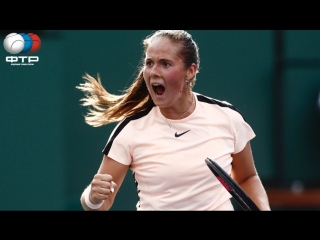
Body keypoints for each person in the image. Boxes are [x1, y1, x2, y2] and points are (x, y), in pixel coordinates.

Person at [77, 30, 271, 211]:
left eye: (165, 64)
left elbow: (247, 177)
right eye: (149, 63)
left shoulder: (227, 117)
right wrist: (93, 199)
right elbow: (101, 201)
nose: (153, 72)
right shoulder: (130, 130)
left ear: (190, 70)